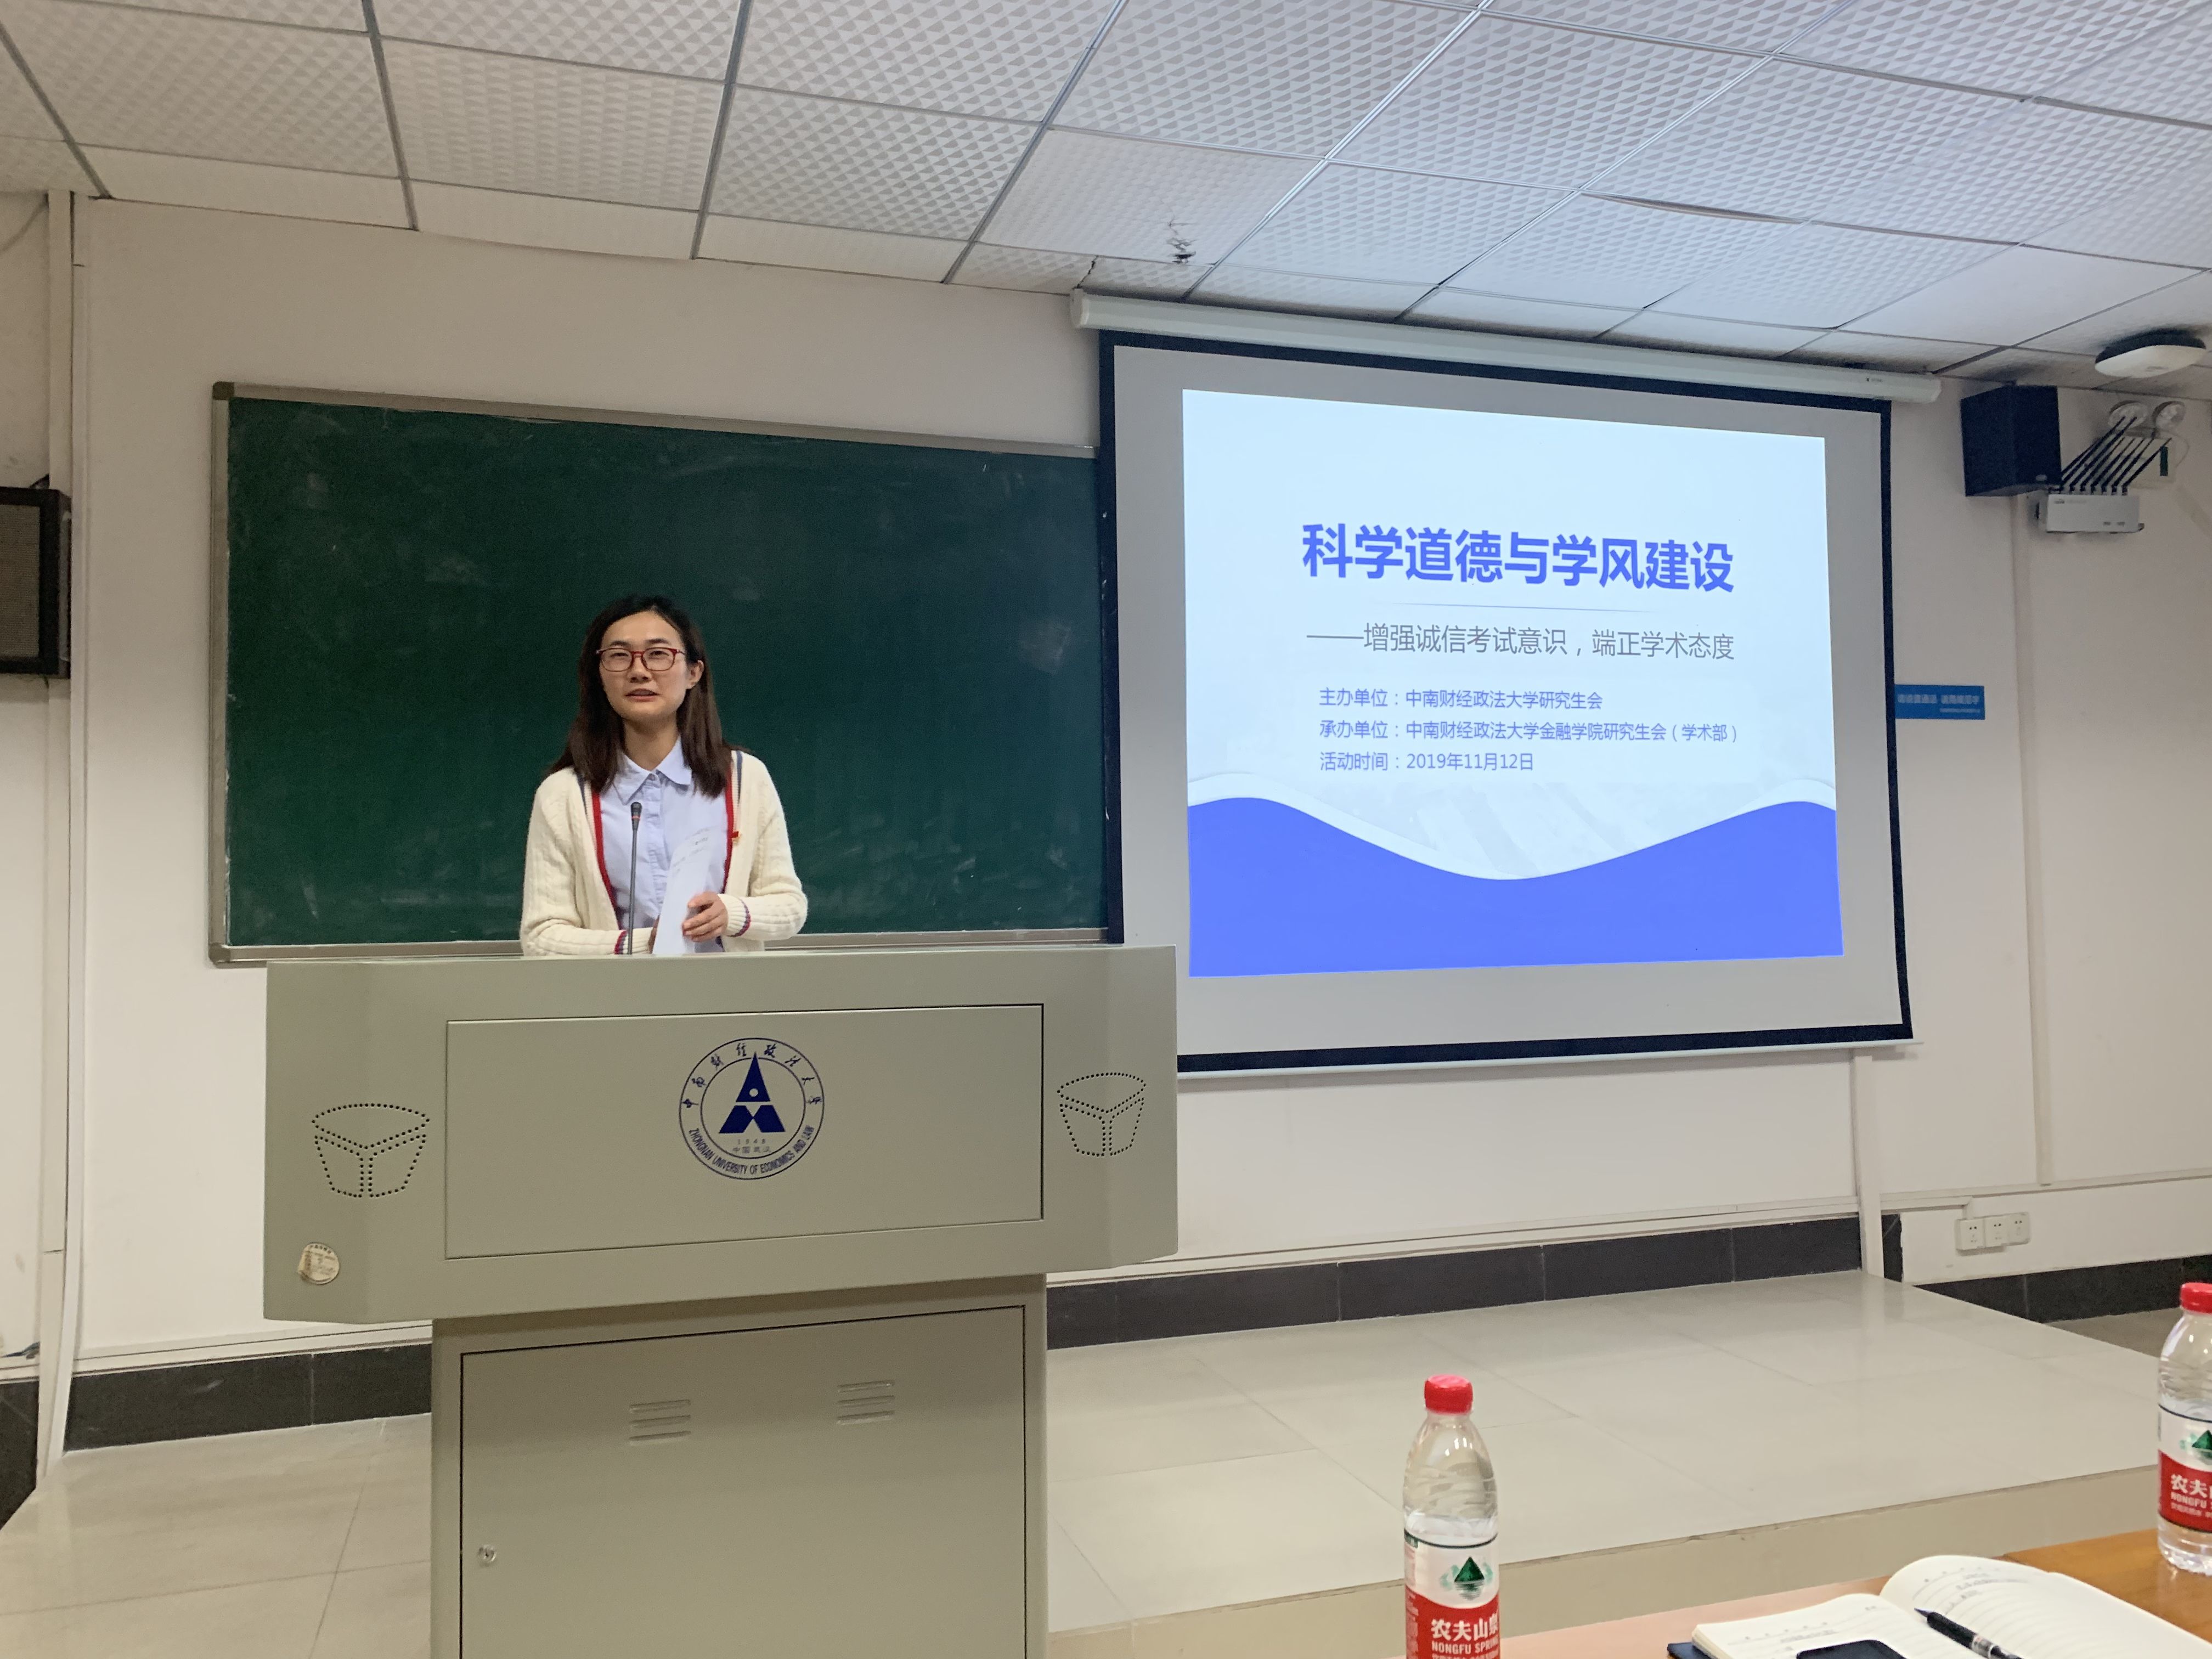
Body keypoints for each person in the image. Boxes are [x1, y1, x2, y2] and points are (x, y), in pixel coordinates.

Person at [522, 594, 805, 956]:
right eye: (619, 656)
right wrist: (646, 944)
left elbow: (789, 905)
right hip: (615, 991)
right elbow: (542, 937)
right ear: (600, 675)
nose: (639, 671)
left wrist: (732, 913)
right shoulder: (564, 795)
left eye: (658, 654)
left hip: (727, 989)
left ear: (693, 673)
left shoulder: (744, 779)